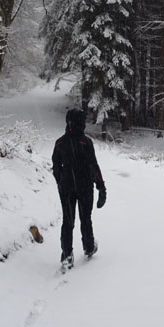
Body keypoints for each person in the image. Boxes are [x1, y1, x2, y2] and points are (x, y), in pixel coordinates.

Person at [52, 108, 107, 270]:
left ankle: (67, 255)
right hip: (84, 187)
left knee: (68, 221)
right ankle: (89, 247)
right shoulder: (86, 142)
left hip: (67, 188)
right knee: (85, 218)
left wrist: (61, 182)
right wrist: (101, 187)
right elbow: (93, 166)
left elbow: (56, 167)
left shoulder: (60, 142)